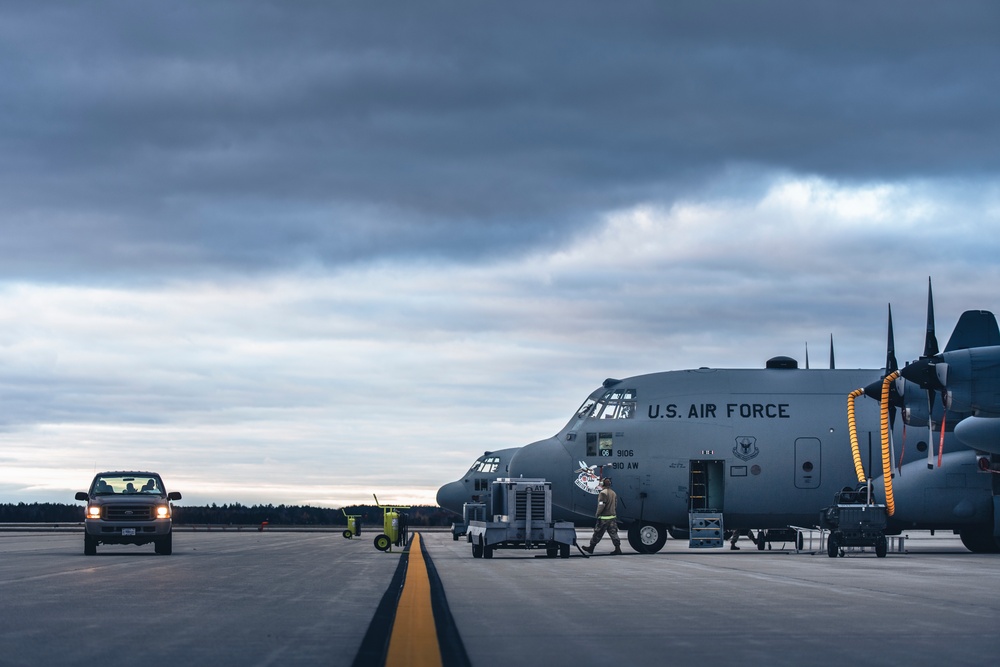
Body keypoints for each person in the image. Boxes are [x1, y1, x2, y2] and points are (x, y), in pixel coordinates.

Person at [581, 477, 622, 555]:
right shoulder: (613, 493)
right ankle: (618, 549)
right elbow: (615, 504)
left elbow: (601, 505)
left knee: (597, 533)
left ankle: (591, 548)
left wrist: (598, 513)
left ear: (603, 484)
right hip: (612, 517)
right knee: (614, 533)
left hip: (604, 518)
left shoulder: (603, 493)